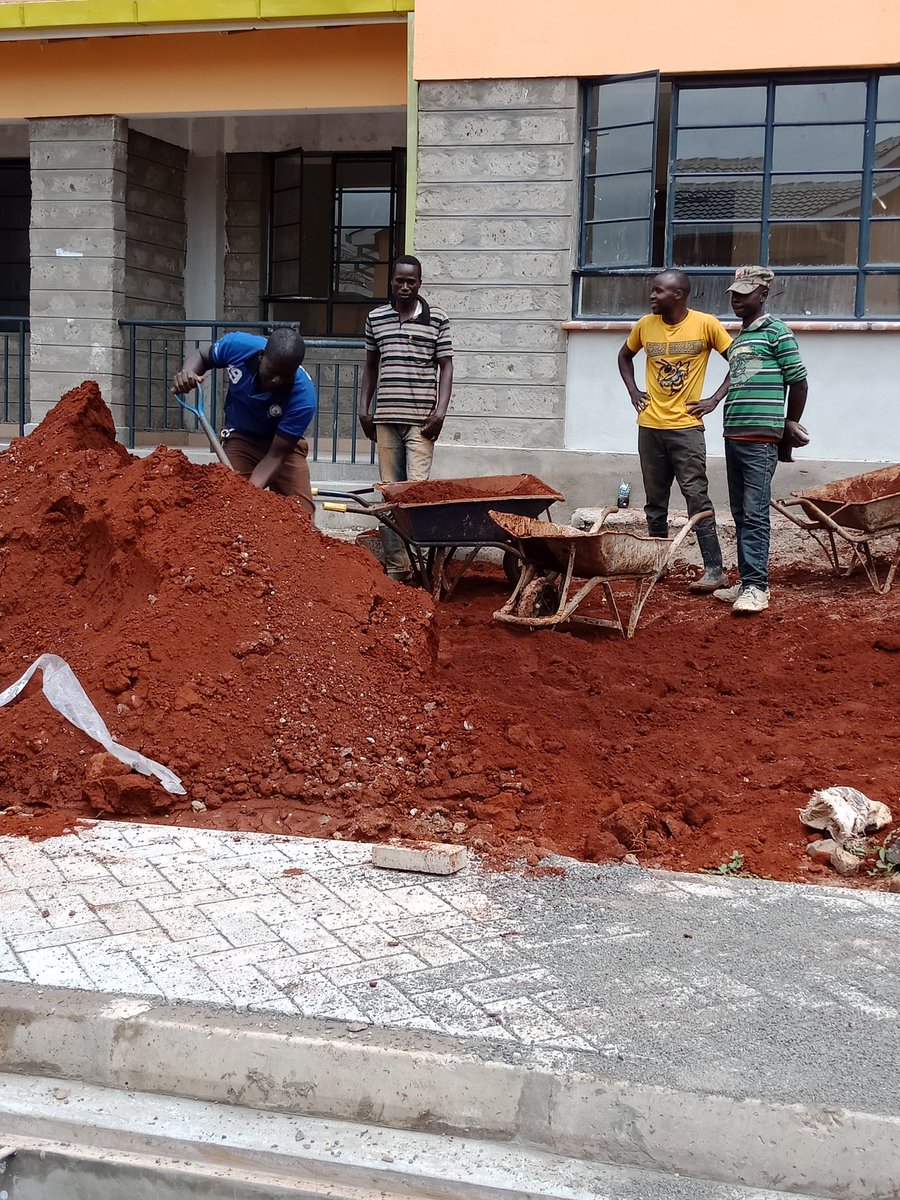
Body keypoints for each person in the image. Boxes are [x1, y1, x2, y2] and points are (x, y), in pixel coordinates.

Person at [690, 266, 808, 615]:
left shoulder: (777, 333)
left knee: (755, 514)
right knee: (741, 513)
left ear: (763, 294)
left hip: (760, 439)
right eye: (734, 294)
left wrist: (790, 424)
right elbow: (737, 372)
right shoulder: (741, 338)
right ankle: (747, 582)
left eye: (745, 293)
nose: (736, 299)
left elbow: (799, 382)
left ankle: (757, 587)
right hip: (735, 434)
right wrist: (714, 400)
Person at [617, 270, 732, 593]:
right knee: (655, 501)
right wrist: (633, 392)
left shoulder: (706, 324)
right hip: (650, 427)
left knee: (696, 495)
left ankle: (714, 569)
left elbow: (740, 361)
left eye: (658, 291)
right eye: (652, 290)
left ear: (678, 294)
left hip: (686, 429)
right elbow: (624, 356)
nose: (652, 296)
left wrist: (714, 399)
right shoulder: (645, 325)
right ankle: (657, 565)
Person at [359, 255, 453, 582]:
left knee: (416, 495)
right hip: (386, 418)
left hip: (421, 422)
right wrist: (364, 409)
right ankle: (398, 567)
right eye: (399, 280)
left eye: (411, 281)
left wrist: (440, 413)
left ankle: (421, 565)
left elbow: (446, 367)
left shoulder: (437, 319)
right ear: (392, 281)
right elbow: (370, 365)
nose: (404, 286)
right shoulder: (376, 318)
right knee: (389, 495)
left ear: (419, 283)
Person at [172, 328, 316, 516]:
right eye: (272, 372)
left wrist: (247, 495)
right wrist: (187, 372)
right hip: (242, 438)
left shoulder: (303, 398)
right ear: (261, 356)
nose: (276, 381)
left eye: (285, 376)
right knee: (227, 503)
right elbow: (202, 356)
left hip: (282, 447)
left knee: (302, 517)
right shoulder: (238, 347)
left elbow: (275, 456)